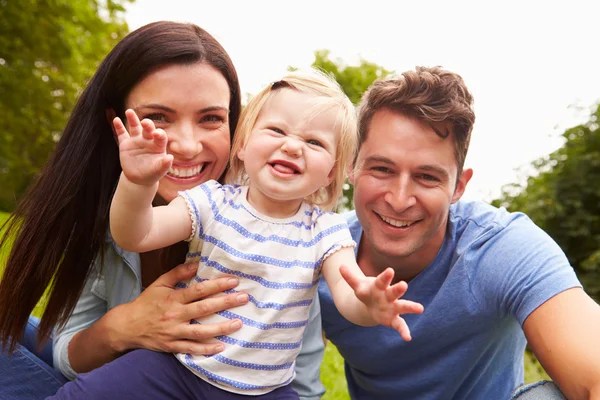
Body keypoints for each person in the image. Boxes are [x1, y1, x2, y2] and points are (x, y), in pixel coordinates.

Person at [49, 69, 424, 399]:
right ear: (242, 145)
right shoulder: (210, 202)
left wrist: (369, 306)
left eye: (314, 143)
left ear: (331, 173)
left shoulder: (324, 230)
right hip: (176, 371)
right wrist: (137, 182)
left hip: (266, 391)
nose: (292, 145)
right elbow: (137, 234)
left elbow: (347, 293)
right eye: (277, 130)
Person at [0, 21, 324, 400]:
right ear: (115, 123)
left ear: (235, 125)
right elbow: (69, 358)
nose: (186, 146)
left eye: (211, 118)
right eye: (158, 117)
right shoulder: (101, 212)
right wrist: (123, 327)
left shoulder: (274, 228)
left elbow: (300, 386)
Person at [311, 66, 600, 399]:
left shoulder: (502, 246)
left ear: (459, 186)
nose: (399, 199)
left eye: (427, 177)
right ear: (352, 166)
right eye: (382, 169)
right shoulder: (318, 251)